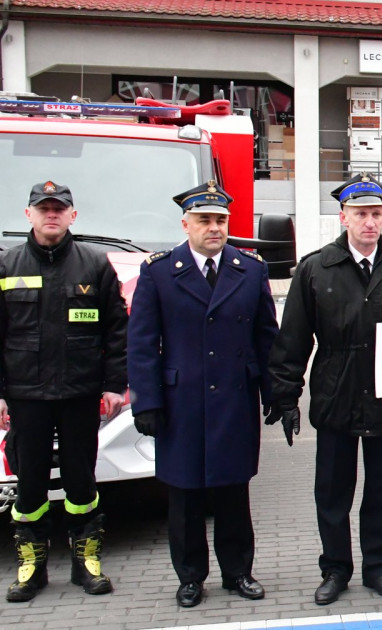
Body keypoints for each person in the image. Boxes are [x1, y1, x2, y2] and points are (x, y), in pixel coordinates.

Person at [268, 173, 382, 604]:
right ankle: (335, 568)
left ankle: (376, 567)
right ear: (344, 216)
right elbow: (292, 340)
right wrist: (286, 397)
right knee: (332, 493)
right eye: (361, 214)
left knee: (380, 492)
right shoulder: (315, 269)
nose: (369, 222)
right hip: (335, 400)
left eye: (376, 214)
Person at [127, 182, 279, 607]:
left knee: (234, 492)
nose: (214, 228)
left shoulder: (250, 269)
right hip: (182, 404)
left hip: (234, 399)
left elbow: (267, 338)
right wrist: (147, 401)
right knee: (186, 495)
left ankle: (238, 572)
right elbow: (141, 343)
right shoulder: (158, 272)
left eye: (221, 220)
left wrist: (276, 394)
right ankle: (191, 577)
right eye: (204, 220)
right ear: (185, 224)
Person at [2, 181, 127, 602]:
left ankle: (86, 564)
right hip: (26, 396)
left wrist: (114, 385)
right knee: (29, 486)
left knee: (81, 480)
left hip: (79, 394)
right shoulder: (7, 264)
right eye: (43, 208)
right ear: (29, 215)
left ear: (73, 215)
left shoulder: (93, 265)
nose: (51, 214)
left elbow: (116, 330)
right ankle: (31, 568)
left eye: (59, 208)